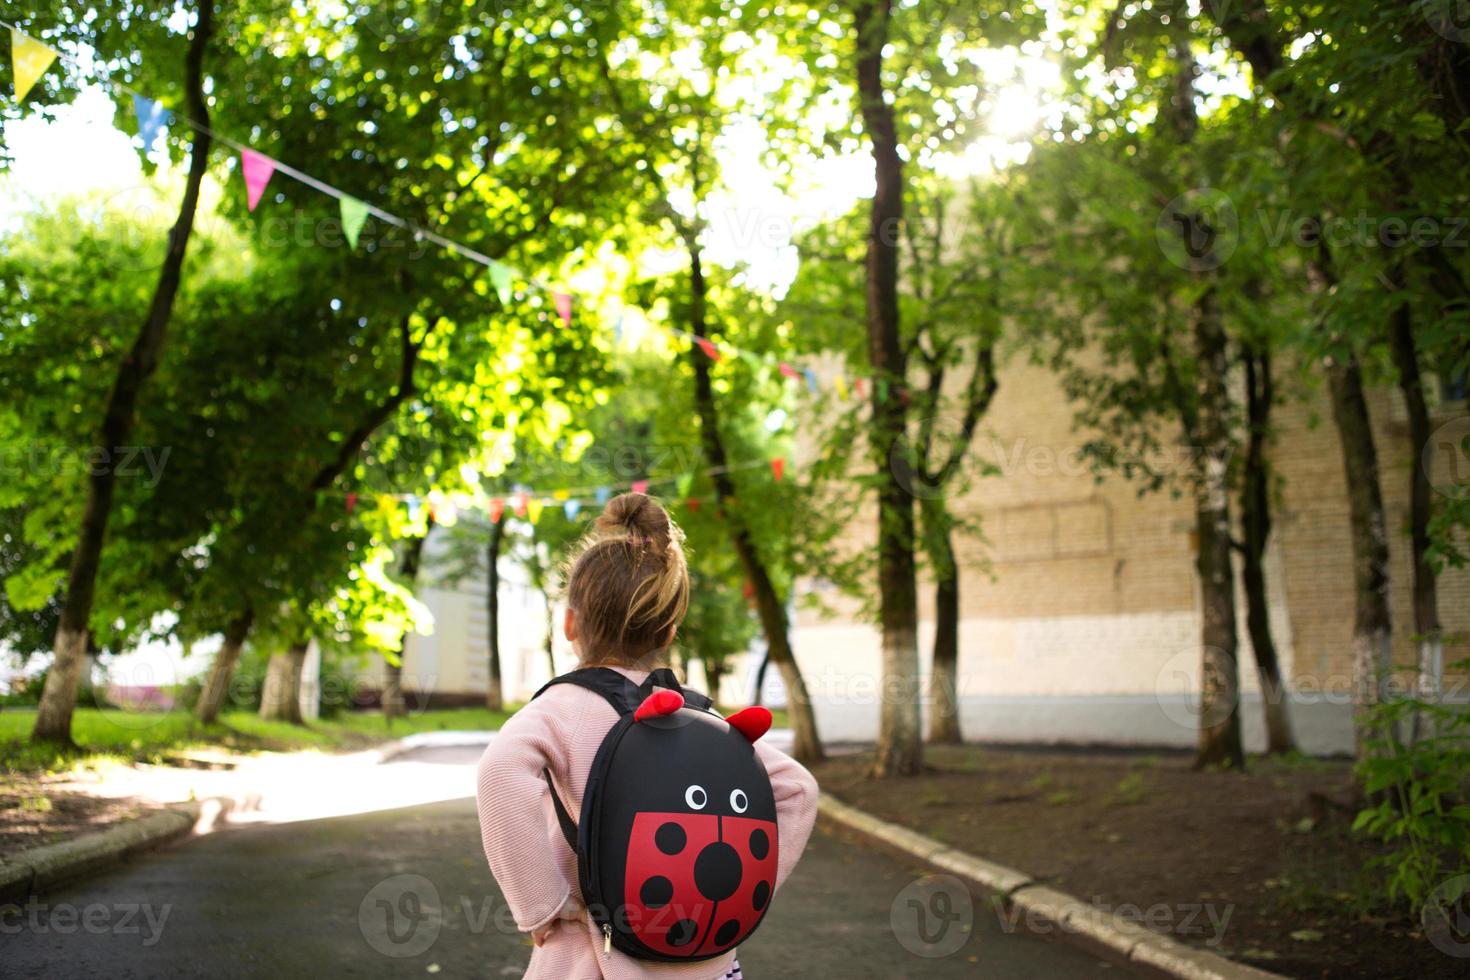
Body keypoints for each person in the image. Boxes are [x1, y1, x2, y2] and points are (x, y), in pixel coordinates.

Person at [476, 492, 819, 979]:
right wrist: (739, 896)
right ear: (668, 631)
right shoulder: (701, 717)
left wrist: (542, 902)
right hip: (706, 960)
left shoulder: (562, 710)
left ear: (570, 623)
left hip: (590, 957)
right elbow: (797, 789)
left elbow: (500, 771)